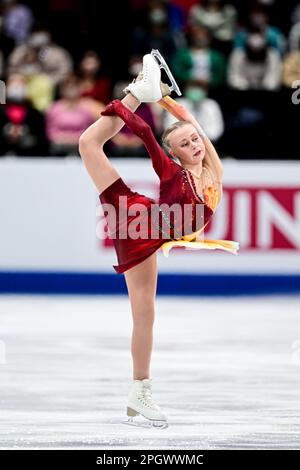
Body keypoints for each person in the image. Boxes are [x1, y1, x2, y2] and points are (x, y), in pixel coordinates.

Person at [79, 52, 239, 428]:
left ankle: (139, 390)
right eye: (185, 145)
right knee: (88, 144)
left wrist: (165, 99)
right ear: (175, 154)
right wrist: (128, 104)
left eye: (195, 141)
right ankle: (137, 89)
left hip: (147, 229)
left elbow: (191, 121)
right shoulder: (172, 172)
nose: (194, 146)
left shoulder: (213, 170)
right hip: (135, 221)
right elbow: (150, 136)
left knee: (146, 315)